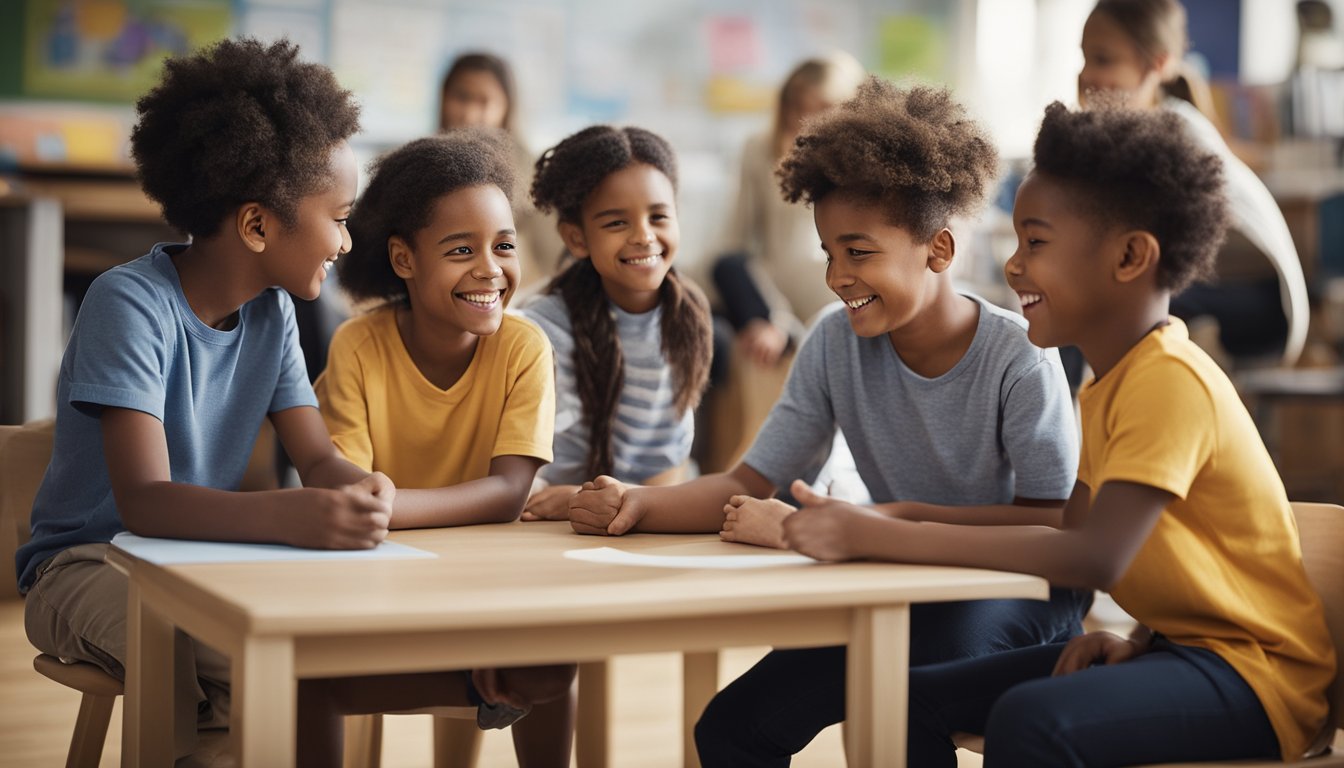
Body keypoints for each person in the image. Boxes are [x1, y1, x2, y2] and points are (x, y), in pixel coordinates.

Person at [786, 102, 1336, 767]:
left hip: (1256, 681)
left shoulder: (1170, 383)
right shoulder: (1108, 383)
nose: (1014, 266)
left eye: (1036, 242)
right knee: (908, 699)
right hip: (1179, 652)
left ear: (1130, 256)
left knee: (1029, 720)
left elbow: (1094, 558)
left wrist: (882, 533)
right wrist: (1139, 642)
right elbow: (1066, 534)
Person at [564, 79, 1087, 765]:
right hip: (900, 584)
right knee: (731, 728)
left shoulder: (1017, 357)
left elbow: (1054, 524)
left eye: (859, 252)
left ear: (938, 249)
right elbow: (750, 479)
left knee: (905, 689)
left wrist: (879, 524)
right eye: (828, 253)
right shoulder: (834, 341)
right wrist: (636, 503)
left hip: (1022, 591)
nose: (838, 276)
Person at [14, 38, 394, 762]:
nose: (347, 241)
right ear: (256, 225)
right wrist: (286, 515)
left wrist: (359, 489)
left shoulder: (273, 313)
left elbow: (315, 456)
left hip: (194, 563)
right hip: (84, 568)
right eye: (340, 216)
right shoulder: (127, 304)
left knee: (306, 661)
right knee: (197, 648)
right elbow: (147, 502)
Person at [313, 130, 575, 766]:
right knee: (315, 673)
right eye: (461, 250)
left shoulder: (523, 347)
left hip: (489, 579)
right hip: (381, 581)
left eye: (504, 246)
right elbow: (341, 481)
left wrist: (384, 509)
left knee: (552, 657)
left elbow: (510, 492)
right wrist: (372, 513)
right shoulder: (358, 345)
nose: (490, 269)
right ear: (405, 259)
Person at [1077, 0, 1309, 365]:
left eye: (1104, 60)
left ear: (1158, 63)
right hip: (1212, 288)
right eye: (1085, 57)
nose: (1086, 75)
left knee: (1106, 304)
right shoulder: (1137, 134)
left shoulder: (1177, 136)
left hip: (1262, 303)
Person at [518, 126, 714, 521]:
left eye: (658, 216)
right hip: (547, 522)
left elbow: (670, 469)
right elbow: (524, 479)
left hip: (648, 517)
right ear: (577, 238)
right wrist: (578, 499)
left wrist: (624, 501)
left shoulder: (687, 316)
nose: (644, 236)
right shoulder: (538, 329)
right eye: (616, 223)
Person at [713, 52, 866, 366]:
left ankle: (786, 331)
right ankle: (776, 326)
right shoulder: (759, 148)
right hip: (773, 283)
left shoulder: (863, 161)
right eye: (797, 107)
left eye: (822, 109)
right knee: (726, 265)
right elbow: (735, 240)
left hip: (831, 281)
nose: (806, 121)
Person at [438, 52, 564, 296]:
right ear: (443, 97)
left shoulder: (533, 174)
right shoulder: (415, 166)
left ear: (506, 108)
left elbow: (554, 263)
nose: (470, 114)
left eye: (484, 102)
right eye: (461, 97)